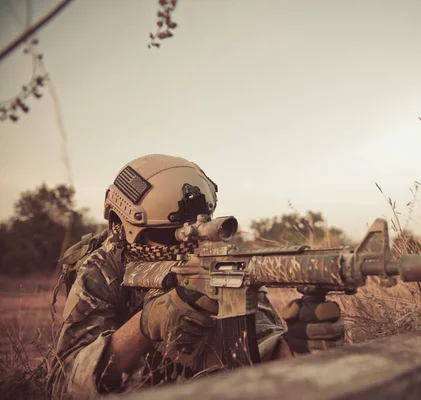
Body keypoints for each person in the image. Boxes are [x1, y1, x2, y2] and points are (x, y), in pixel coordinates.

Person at [47, 154, 344, 399]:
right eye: (167, 235)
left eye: (192, 234)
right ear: (123, 228)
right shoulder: (104, 268)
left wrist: (298, 352)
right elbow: (64, 385)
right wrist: (146, 325)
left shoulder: (220, 264)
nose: (184, 246)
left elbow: (258, 351)